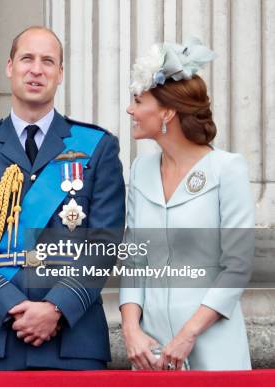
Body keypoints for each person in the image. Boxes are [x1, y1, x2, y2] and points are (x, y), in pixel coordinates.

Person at [0, 26, 125, 370]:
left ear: (59, 74)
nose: (36, 69)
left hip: (74, 339)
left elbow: (105, 242)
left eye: (48, 61)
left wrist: (56, 307)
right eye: (27, 58)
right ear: (10, 66)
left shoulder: (97, 146)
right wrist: (10, 307)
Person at [119, 39, 253, 370]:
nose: (130, 110)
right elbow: (134, 261)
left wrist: (188, 335)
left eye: (138, 101)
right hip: (151, 354)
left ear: (167, 112)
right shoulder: (140, 170)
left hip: (213, 349)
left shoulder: (227, 169)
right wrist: (131, 329)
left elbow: (237, 266)